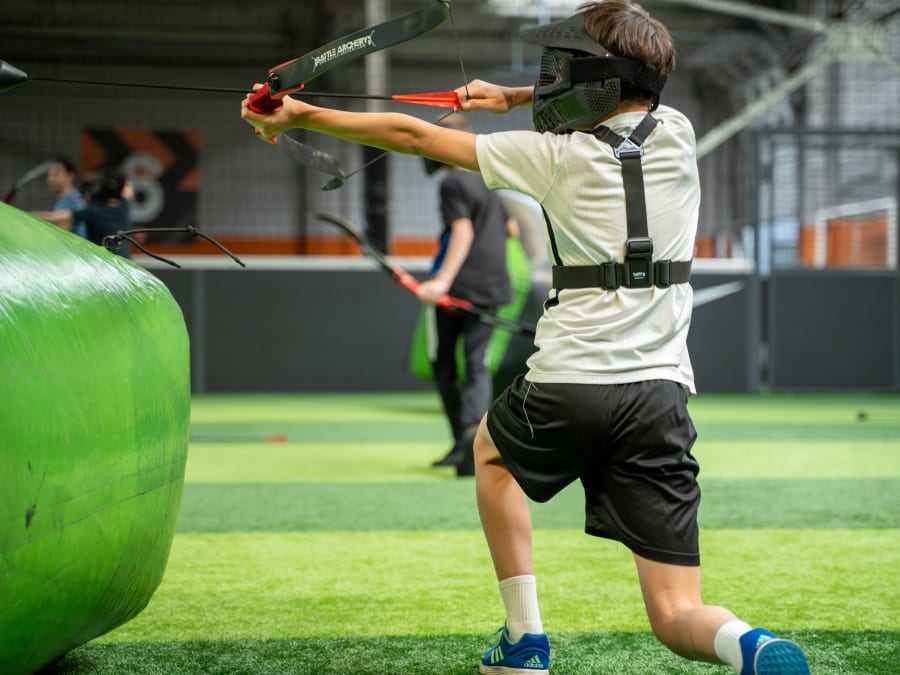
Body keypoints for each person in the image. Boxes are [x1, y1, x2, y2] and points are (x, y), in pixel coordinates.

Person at [241, 2, 811, 673]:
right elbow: (601, 98)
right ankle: (747, 644)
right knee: (676, 613)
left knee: (490, 451)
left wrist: (300, 114)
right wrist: (505, 96)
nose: (551, 78)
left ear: (588, 78)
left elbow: (415, 137)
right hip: (660, 398)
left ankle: (524, 639)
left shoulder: (550, 157)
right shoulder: (679, 131)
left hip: (569, 383)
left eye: (563, 67)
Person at [421, 113, 515, 474]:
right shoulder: (486, 183)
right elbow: (511, 230)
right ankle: (474, 445)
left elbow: (462, 232)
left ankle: (465, 441)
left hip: (459, 290)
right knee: (475, 366)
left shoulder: (452, 185)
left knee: (445, 366)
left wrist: (442, 281)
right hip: (492, 286)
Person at [34, 168, 132, 258]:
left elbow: (55, 217)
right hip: (125, 265)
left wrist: (20, 214)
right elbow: (128, 188)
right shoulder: (123, 204)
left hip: (106, 266)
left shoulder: (92, 211)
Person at [44, 155, 88, 239]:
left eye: (56, 174)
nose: (51, 179)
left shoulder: (74, 201)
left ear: (70, 176)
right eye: (50, 174)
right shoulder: (66, 199)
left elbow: (60, 225)